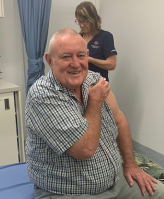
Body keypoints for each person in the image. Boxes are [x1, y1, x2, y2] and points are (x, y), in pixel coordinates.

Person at [25, 28, 164, 199]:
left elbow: (119, 120)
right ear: (50, 60)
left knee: (159, 193)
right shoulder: (42, 95)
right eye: (66, 56)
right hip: (67, 192)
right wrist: (95, 102)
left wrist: (131, 165)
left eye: (81, 55)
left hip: (116, 181)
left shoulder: (94, 80)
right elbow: (85, 149)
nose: (75, 63)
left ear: (87, 55)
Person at [75, 1, 117, 81]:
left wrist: (90, 59)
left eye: (85, 21)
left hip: (98, 84)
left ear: (93, 19)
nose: (81, 25)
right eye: (79, 21)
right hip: (79, 84)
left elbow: (112, 64)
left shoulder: (105, 36)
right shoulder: (77, 37)